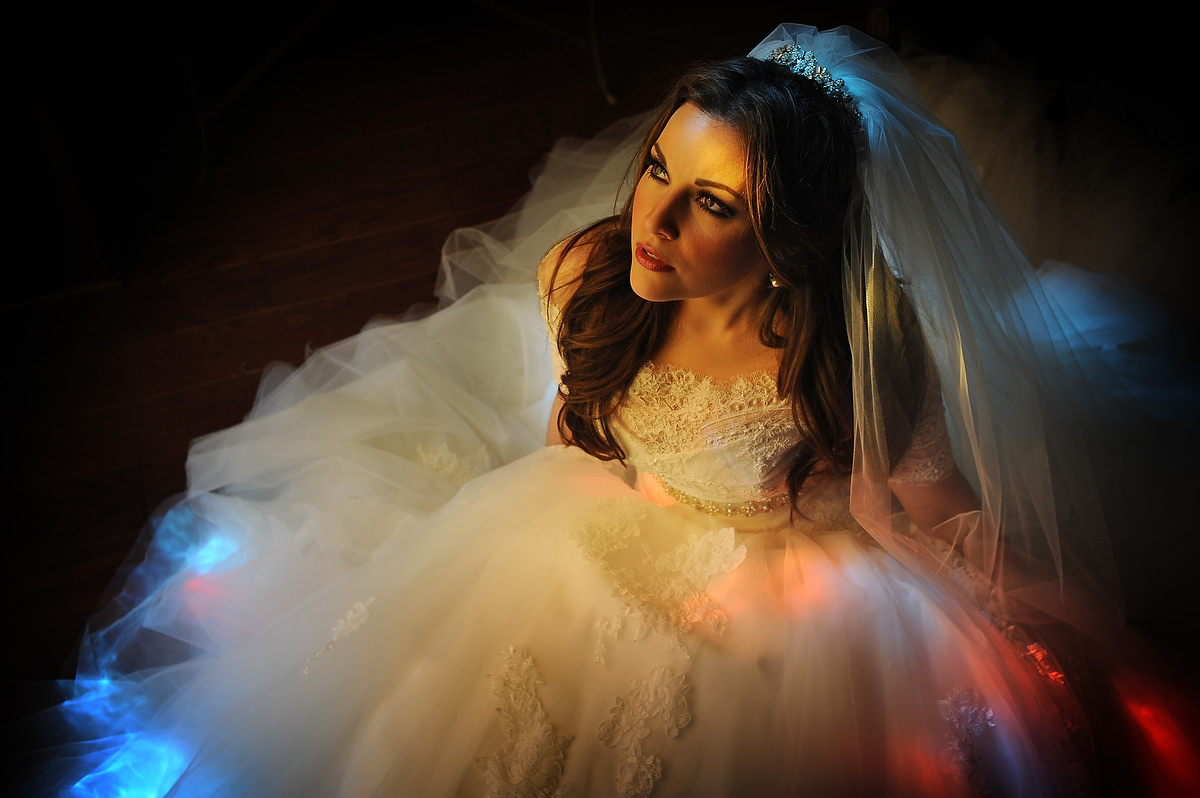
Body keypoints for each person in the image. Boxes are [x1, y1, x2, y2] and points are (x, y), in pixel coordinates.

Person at [16, 23, 1199, 798]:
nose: (656, 222)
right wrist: (516, 515)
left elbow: (920, 509)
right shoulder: (591, 275)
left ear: (785, 244)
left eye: (711, 205)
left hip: (777, 586)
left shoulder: (852, 357)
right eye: (657, 172)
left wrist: (1035, 630)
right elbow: (575, 428)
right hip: (594, 523)